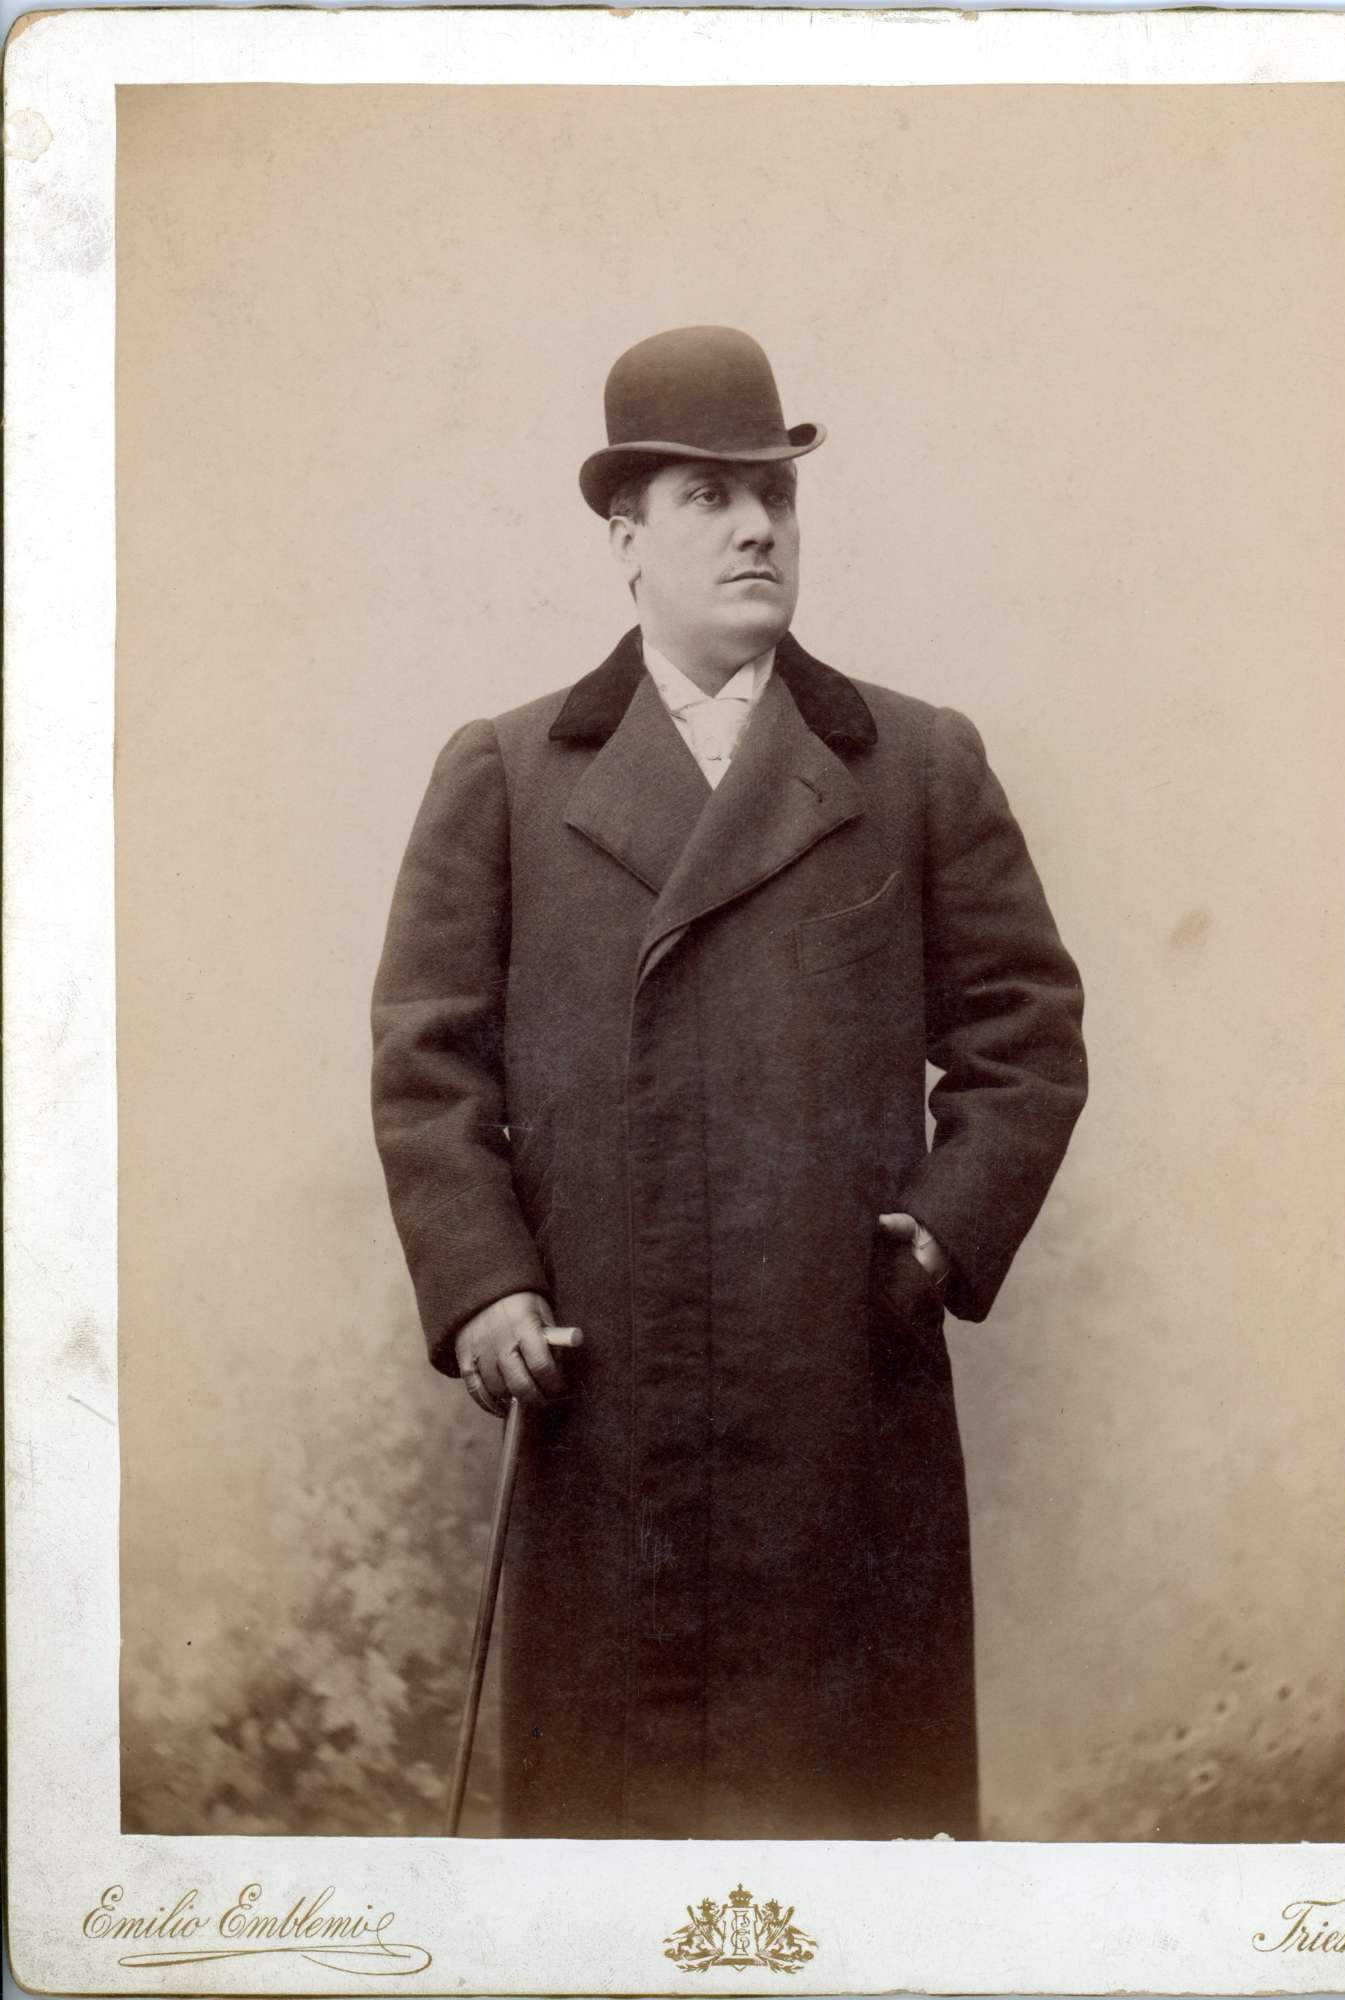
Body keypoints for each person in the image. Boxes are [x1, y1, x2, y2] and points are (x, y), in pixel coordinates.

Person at [370, 325, 1087, 1840]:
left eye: (776, 493)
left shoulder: (912, 761)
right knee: (614, 1850)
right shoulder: (510, 771)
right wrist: (484, 1286)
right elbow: (428, 1062)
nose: (759, 526)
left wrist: (937, 1236)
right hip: (606, 1387)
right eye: (709, 495)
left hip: (840, 1392)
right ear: (625, 539)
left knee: (848, 1838)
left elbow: (1025, 1030)